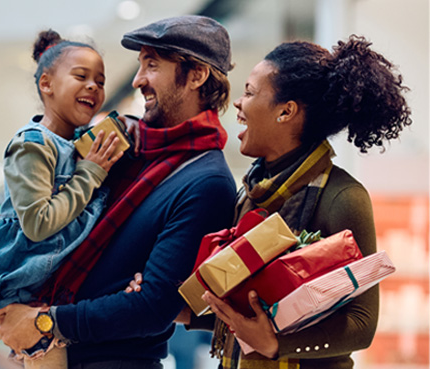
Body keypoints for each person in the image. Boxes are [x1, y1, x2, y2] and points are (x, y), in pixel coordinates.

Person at [128, 35, 412, 369]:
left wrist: (279, 345)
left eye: (249, 91)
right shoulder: (250, 191)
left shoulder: (343, 196)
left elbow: (361, 324)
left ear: (286, 111)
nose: (238, 102)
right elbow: (250, 314)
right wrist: (182, 311)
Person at [0, 15, 237, 369]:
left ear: (197, 76)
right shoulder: (128, 150)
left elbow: (152, 307)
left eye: (152, 65)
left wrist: (45, 322)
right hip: (49, 355)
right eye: (141, 65)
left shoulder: (207, 180)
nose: (139, 79)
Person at [0, 29, 124, 368]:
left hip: (55, 293)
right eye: (81, 76)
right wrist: (89, 174)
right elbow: (37, 223)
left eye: (100, 81)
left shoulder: (79, 147)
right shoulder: (32, 144)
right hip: (27, 296)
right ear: (47, 84)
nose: (94, 86)